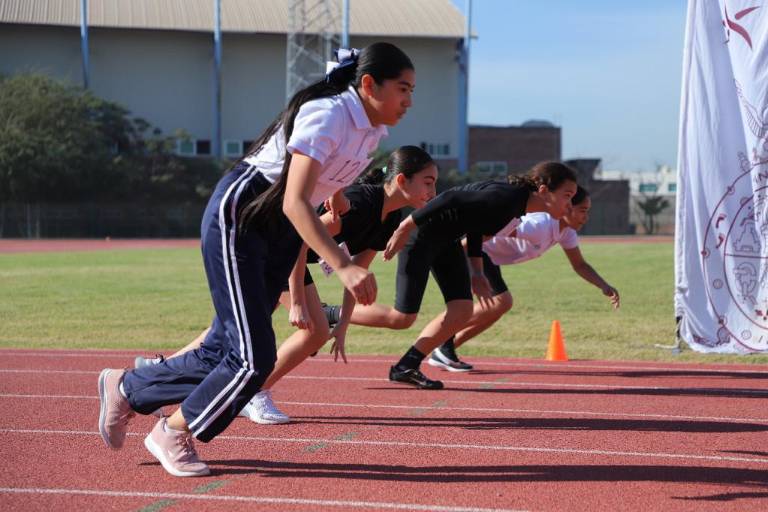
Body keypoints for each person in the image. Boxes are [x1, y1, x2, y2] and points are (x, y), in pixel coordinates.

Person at [97, 42, 416, 477]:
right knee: (254, 358)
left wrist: (338, 195)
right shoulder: (329, 113)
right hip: (243, 216)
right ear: (367, 84)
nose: (408, 101)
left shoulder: (368, 130)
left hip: (276, 233)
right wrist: (341, 264)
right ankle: (172, 431)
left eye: (411, 91)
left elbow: (328, 174)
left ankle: (128, 386)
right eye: (402, 88)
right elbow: (295, 201)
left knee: (224, 349)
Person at [136, 146, 438, 424]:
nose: (433, 190)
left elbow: (357, 272)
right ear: (402, 179)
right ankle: (254, 392)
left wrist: (344, 324)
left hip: (284, 255)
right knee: (312, 331)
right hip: (274, 251)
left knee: (228, 332)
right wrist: (295, 301)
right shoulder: (360, 203)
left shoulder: (389, 218)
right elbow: (299, 241)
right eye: (428, 181)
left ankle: (155, 373)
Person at [341, 161, 578, 389]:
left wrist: (476, 271)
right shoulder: (508, 197)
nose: (570, 204)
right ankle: (332, 314)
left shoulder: (515, 206)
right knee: (402, 318)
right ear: (544, 190)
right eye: (567, 196)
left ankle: (406, 366)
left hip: (447, 242)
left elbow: (475, 226)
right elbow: (450, 197)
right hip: (422, 236)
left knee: (463, 309)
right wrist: (405, 227)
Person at [428, 185, 620, 372]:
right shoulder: (538, 226)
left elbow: (579, 265)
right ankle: (442, 341)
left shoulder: (566, 231)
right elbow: (486, 231)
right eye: (583, 211)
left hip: (487, 257)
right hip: (473, 251)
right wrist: (460, 258)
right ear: (567, 207)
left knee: (499, 306)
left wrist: (604, 285)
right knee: (501, 302)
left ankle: (446, 348)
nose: (586, 217)